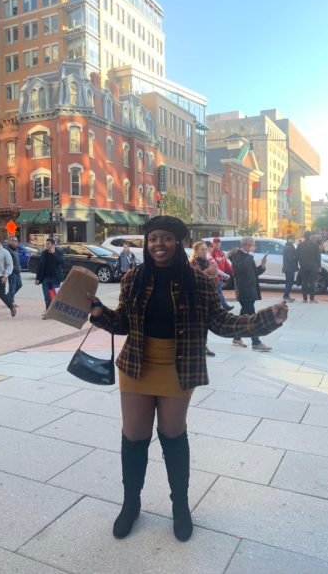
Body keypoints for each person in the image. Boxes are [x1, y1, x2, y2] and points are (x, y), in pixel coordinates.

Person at [87, 216, 288, 542]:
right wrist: (100, 314)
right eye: (153, 238)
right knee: (134, 436)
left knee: (173, 434)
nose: (159, 244)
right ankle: (131, 504)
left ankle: (180, 505)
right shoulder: (134, 277)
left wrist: (264, 321)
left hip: (179, 366)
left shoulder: (199, 281)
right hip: (136, 364)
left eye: (166, 238)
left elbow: (222, 323)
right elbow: (122, 322)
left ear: (178, 242)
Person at [230, 237, 272, 351]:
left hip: (250, 290)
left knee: (243, 317)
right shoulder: (237, 256)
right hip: (244, 291)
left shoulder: (247, 256)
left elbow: (253, 272)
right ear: (246, 245)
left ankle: (237, 337)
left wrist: (262, 266)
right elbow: (240, 270)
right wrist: (250, 256)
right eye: (253, 245)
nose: (254, 247)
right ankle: (256, 342)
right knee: (252, 318)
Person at [190, 241, 218, 357]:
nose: (204, 251)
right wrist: (209, 271)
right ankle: (197, 346)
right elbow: (196, 277)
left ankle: (204, 345)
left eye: (205, 249)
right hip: (196, 296)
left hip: (208, 296)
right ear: (196, 251)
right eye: (202, 249)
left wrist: (215, 273)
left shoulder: (208, 262)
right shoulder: (192, 263)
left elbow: (213, 280)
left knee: (205, 323)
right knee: (197, 324)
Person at [35, 238, 64, 317]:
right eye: (46, 244)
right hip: (45, 278)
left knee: (54, 296)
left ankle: (55, 312)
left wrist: (53, 254)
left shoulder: (58, 252)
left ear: (52, 244)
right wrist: (38, 278)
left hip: (55, 278)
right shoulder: (44, 253)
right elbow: (41, 266)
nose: (46, 245)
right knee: (46, 296)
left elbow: (61, 262)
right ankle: (48, 312)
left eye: (48, 244)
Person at [296, 230, 321, 303]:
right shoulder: (315, 245)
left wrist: (297, 265)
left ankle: (304, 299)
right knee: (312, 282)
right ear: (310, 236)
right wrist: (319, 266)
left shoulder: (300, 245)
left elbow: (297, 256)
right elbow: (318, 256)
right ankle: (312, 299)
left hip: (303, 266)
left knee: (304, 282)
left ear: (304, 236)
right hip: (313, 266)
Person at [210, 237, 234, 311]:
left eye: (218, 242)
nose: (217, 243)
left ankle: (220, 307)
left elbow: (226, 263)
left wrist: (232, 271)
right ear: (213, 244)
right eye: (215, 242)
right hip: (215, 276)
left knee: (218, 292)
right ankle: (224, 306)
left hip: (221, 276)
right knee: (218, 292)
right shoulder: (212, 253)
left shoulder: (221, 253)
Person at [5, 236, 22, 306]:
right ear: (9, 241)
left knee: (19, 285)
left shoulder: (15, 249)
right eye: (12, 240)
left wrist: (19, 268)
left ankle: (7, 297)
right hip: (12, 272)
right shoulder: (7, 250)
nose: (14, 242)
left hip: (17, 271)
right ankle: (11, 302)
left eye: (16, 241)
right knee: (12, 287)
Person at [282, 235, 298, 302]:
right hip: (290, 268)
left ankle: (286, 295)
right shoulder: (289, 248)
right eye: (292, 239)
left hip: (287, 267)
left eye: (293, 238)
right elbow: (290, 259)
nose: (293, 240)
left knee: (288, 282)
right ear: (288, 239)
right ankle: (286, 295)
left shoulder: (288, 246)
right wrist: (296, 267)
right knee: (290, 282)